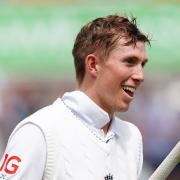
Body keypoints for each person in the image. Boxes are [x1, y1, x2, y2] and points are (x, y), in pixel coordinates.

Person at [0, 14, 150, 180]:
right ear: (93, 65)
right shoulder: (38, 131)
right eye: (129, 61)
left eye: (142, 64)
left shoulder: (132, 136)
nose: (140, 75)